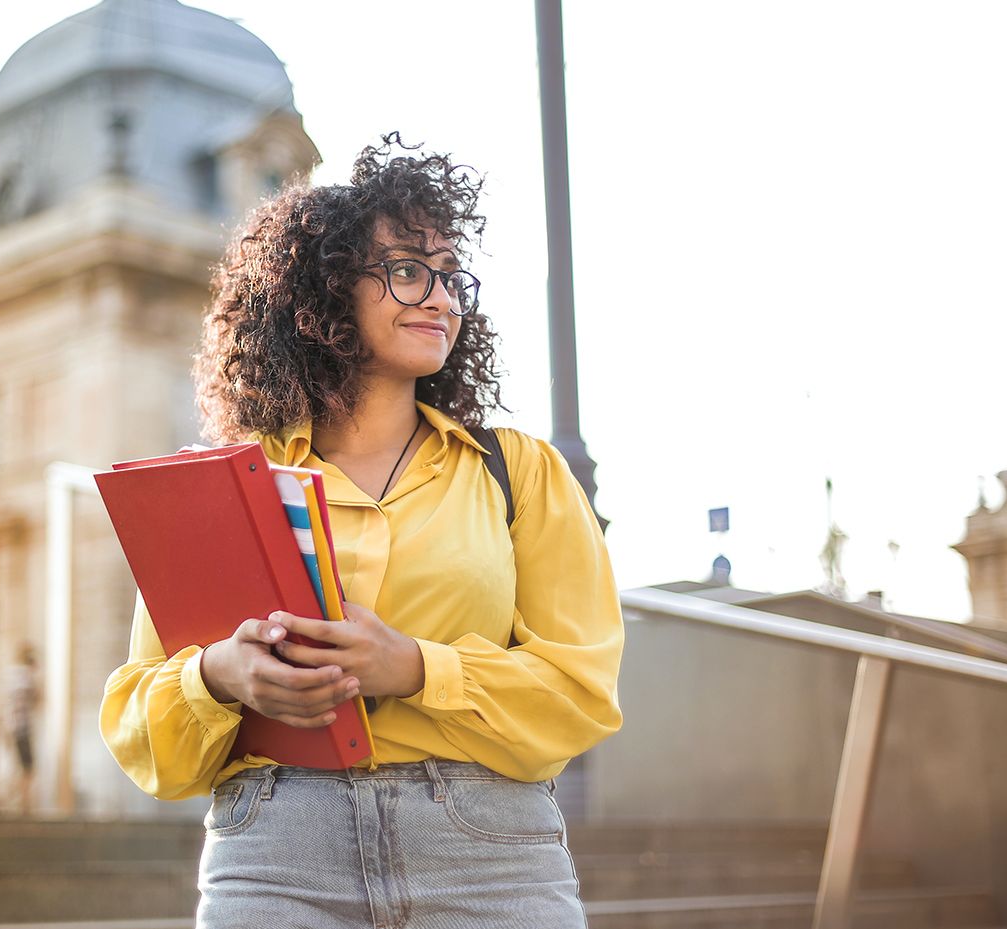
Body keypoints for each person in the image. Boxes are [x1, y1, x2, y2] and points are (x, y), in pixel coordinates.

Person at [100, 133, 624, 929]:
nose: (443, 297)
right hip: (276, 851)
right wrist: (218, 675)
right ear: (324, 290)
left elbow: (581, 693)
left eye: (452, 277)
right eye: (409, 270)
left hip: (487, 854)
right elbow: (143, 724)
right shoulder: (230, 486)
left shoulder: (519, 472)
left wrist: (415, 667)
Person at [8, 643, 41, 815]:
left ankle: (21, 800)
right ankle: (24, 804)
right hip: (23, 728)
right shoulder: (26, 678)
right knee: (27, 767)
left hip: (14, 728)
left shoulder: (13, 677)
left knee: (21, 766)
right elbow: (37, 698)